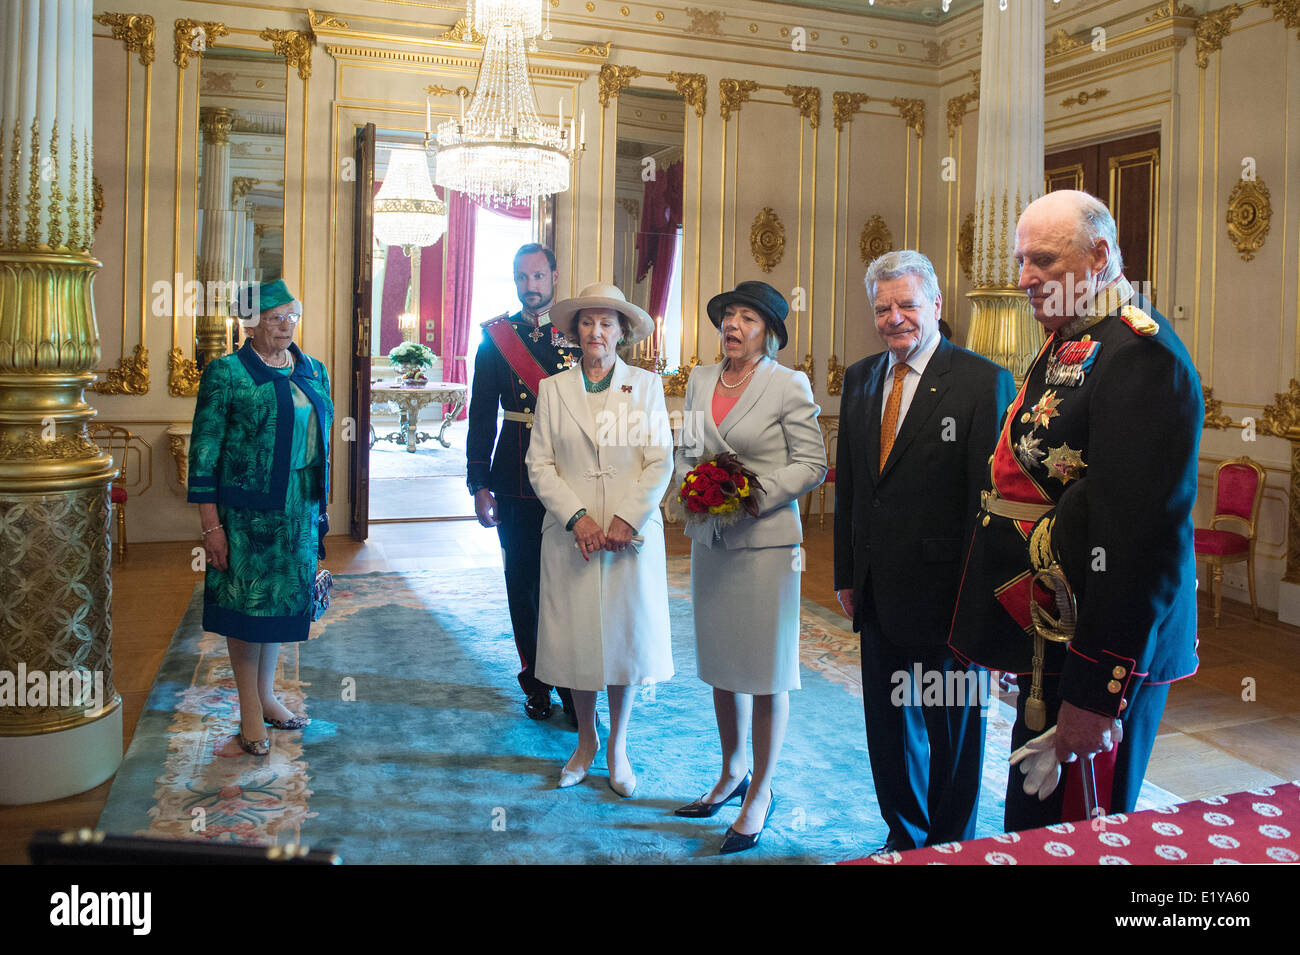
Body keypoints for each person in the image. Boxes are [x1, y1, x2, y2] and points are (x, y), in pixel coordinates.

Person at [948, 189, 1202, 831]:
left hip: (1102, 646)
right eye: (1021, 260)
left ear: (1100, 254)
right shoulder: (1073, 335)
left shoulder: (1139, 355)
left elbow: (1138, 546)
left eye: (1043, 260)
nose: (1025, 277)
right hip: (1055, 632)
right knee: (1033, 825)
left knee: (1080, 832)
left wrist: (1095, 693)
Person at [833, 251, 1015, 852]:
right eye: (883, 307)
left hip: (949, 597)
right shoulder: (861, 378)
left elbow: (985, 505)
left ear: (937, 305)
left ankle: (951, 843)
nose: (894, 318)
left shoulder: (981, 381)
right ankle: (903, 836)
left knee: (952, 730)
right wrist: (845, 571)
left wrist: (980, 602)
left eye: (907, 304)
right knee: (889, 725)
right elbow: (854, 487)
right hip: (878, 591)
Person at [673, 280, 826, 853]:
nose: (734, 326)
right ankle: (731, 771)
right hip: (712, 539)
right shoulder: (700, 379)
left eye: (748, 319)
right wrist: (694, 488)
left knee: (765, 670)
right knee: (722, 662)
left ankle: (762, 790)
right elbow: (689, 448)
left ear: (769, 333)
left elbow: (812, 462)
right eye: (729, 316)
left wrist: (752, 493)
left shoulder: (789, 384)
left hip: (766, 543)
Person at [526, 284, 674, 796]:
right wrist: (578, 518)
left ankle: (618, 747)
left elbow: (661, 460)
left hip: (627, 538)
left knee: (623, 640)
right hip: (575, 538)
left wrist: (628, 519)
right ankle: (586, 740)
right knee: (578, 641)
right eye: (587, 323)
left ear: (622, 332)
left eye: (607, 323)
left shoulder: (646, 387)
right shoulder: (552, 389)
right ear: (574, 332)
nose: (596, 332)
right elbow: (539, 464)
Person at [188, 279, 334, 756]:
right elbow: (204, 453)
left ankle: (268, 697)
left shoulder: (312, 369)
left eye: (293, 315)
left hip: (299, 508)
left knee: (279, 609)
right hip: (246, 516)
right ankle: (249, 711)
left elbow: (321, 443)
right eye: (275, 319)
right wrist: (212, 527)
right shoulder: (227, 373)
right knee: (247, 611)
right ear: (249, 323)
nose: (287, 326)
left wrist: (320, 511)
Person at [466, 243, 582, 723]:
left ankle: (578, 687)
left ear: (554, 275)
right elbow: (480, 416)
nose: (530, 287)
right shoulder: (496, 339)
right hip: (514, 477)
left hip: (571, 476)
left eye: (538, 276)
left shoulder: (579, 334)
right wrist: (479, 483)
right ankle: (536, 681)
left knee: (572, 586)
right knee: (524, 584)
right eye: (521, 278)